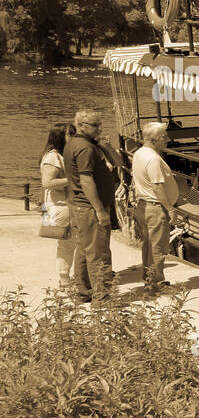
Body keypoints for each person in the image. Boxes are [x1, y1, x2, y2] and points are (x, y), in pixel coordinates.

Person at [64, 109, 119, 305]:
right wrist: (100, 210)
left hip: (79, 206)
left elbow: (118, 162)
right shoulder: (85, 148)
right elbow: (86, 181)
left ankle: (84, 291)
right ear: (81, 126)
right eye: (96, 125)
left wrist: (105, 145)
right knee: (98, 252)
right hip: (89, 207)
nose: (100, 129)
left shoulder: (77, 143)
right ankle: (102, 297)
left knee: (83, 249)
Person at [131, 122, 180, 293]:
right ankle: (155, 283)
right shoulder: (153, 159)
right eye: (164, 137)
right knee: (158, 247)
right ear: (154, 139)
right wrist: (171, 209)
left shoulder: (139, 153)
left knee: (148, 246)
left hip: (143, 204)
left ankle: (149, 279)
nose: (167, 139)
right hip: (155, 207)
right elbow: (158, 187)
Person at [39, 123, 74, 288]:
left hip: (62, 204)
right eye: (70, 133)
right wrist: (74, 180)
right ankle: (64, 278)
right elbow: (48, 182)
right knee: (68, 243)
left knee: (70, 242)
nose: (73, 136)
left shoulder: (60, 155)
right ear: (59, 136)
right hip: (59, 205)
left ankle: (66, 277)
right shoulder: (53, 157)